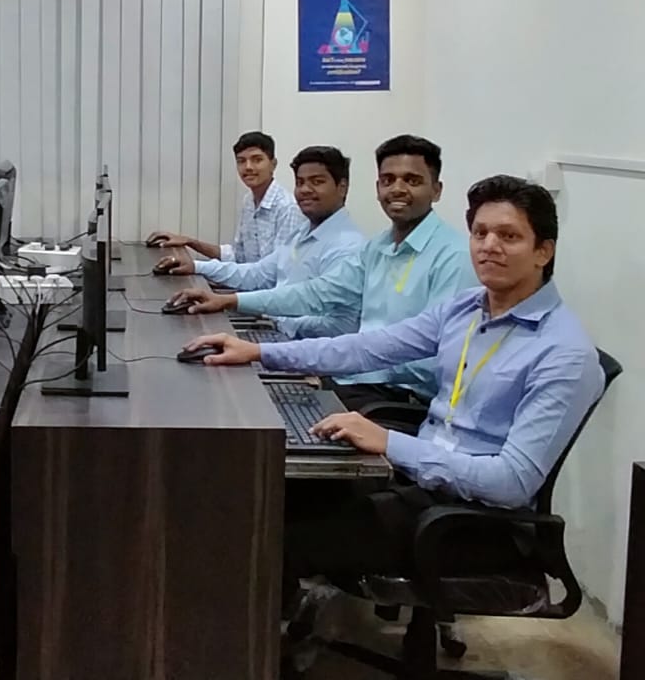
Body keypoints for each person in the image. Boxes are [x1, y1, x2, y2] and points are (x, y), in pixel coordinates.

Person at [182, 176, 604, 640]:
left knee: (270, 535)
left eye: (509, 236)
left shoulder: (564, 353)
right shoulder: (467, 309)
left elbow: (511, 483)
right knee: (263, 496)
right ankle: (278, 633)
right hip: (418, 485)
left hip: (472, 523)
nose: (489, 246)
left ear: (543, 251)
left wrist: (389, 442)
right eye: (480, 232)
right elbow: (369, 348)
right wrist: (259, 352)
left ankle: (255, 647)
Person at [170, 135, 476, 407]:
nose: (397, 189)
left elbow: (433, 359)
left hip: (397, 397)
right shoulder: (379, 246)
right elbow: (317, 293)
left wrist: (330, 361)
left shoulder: (452, 256)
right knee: (234, 392)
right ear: (377, 187)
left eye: (412, 180)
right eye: (388, 180)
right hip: (353, 376)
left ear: (437, 190)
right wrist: (230, 301)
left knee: (261, 415)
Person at [156, 146, 365, 338]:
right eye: (300, 182)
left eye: (317, 182)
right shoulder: (303, 232)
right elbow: (258, 273)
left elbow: (342, 326)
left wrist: (274, 319)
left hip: (302, 348)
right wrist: (196, 266)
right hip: (276, 329)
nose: (305, 190)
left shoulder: (347, 247)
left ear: (342, 187)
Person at [147, 130, 305, 263]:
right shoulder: (249, 201)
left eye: (257, 160)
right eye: (241, 161)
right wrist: (189, 242)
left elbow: (276, 273)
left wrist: (200, 268)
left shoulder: (288, 208)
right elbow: (237, 256)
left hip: (269, 290)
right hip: (248, 285)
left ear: (273, 164)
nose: (248, 167)